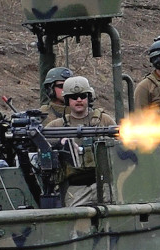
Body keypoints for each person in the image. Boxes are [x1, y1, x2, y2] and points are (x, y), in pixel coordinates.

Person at [45, 76, 114, 206]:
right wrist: (60, 145)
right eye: (73, 97)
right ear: (67, 99)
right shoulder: (56, 126)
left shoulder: (104, 121)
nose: (79, 100)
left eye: (82, 96)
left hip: (104, 186)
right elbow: (42, 150)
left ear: (89, 97)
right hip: (74, 189)